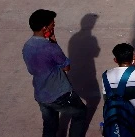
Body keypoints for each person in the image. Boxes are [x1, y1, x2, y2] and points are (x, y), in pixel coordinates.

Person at [23, 9, 87, 137]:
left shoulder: (27, 46)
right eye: (52, 24)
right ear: (45, 28)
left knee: (50, 125)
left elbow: (31, 70)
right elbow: (66, 67)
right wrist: (55, 43)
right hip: (59, 93)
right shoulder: (50, 47)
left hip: (41, 93)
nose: (54, 26)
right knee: (80, 113)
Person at [100, 43, 135, 135]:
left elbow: (106, 99)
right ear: (133, 57)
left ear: (115, 60)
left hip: (115, 114)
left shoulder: (105, 76)